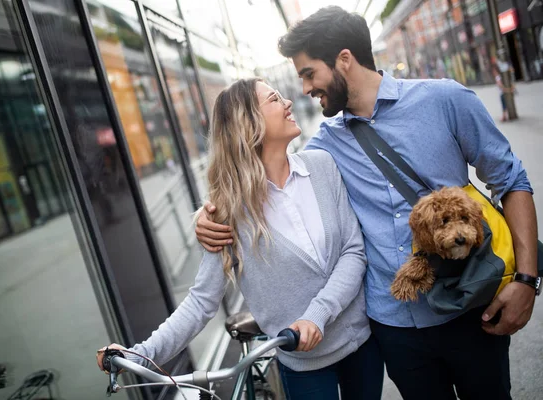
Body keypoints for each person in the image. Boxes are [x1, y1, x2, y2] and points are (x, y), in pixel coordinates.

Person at [195, 7, 538, 400]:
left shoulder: (446, 100)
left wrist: (527, 280)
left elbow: (511, 181)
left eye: (309, 73)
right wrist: (208, 216)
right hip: (395, 327)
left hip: (470, 305)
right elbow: (262, 172)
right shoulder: (323, 147)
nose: (305, 89)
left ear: (344, 59)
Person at [96, 78, 384, 400]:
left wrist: (316, 315)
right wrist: (137, 354)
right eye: (274, 99)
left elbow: (353, 252)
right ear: (250, 124)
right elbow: (201, 303)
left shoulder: (322, 166)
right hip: (304, 367)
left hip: (363, 346)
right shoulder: (228, 215)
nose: (288, 102)